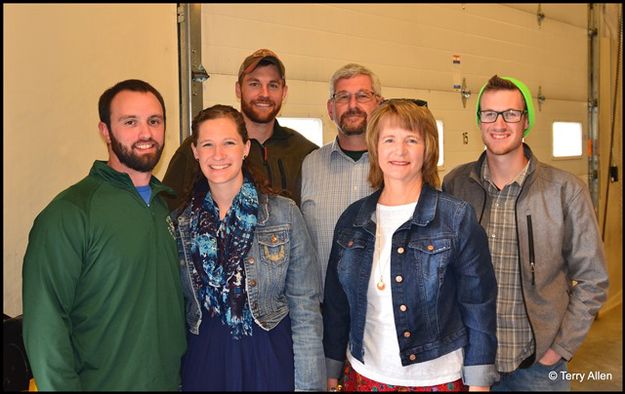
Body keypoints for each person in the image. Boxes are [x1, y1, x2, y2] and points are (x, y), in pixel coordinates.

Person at [442, 75, 609, 391]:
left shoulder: (565, 191)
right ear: (479, 120)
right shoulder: (457, 184)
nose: (499, 123)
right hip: (469, 361)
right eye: (489, 113)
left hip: (537, 369)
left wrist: (559, 348)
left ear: (526, 121)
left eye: (511, 114)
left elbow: (593, 278)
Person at [22, 79, 187, 390]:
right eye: (130, 122)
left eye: (154, 121)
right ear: (105, 131)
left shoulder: (167, 207)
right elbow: (45, 328)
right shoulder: (71, 213)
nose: (146, 133)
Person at [323, 99, 498, 391]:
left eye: (411, 140)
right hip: (363, 375)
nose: (399, 150)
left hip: (435, 380)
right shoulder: (353, 219)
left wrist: (480, 383)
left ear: (428, 148)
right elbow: (337, 304)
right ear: (374, 147)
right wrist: (331, 370)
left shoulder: (455, 218)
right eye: (389, 139)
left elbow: (478, 304)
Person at [171, 104, 325, 391]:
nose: (218, 155)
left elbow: (305, 308)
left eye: (229, 143)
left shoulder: (283, 214)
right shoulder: (181, 223)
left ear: (245, 147)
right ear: (195, 151)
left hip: (269, 354)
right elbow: (174, 311)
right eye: (208, 144)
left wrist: (309, 386)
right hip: (204, 359)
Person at [163, 48, 317, 210]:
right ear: (238, 89)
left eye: (273, 85)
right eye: (254, 84)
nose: (264, 94)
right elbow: (168, 215)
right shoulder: (199, 150)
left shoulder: (304, 152)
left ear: (284, 92)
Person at [301, 63, 382, 298]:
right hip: (326, 314)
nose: (353, 105)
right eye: (343, 97)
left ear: (379, 103)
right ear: (330, 109)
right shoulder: (310, 166)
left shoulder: (398, 164)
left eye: (362, 96)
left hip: (386, 315)